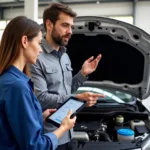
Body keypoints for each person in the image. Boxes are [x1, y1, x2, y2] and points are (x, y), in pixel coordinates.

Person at [29, 3, 103, 150]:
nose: (70, 31)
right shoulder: (36, 57)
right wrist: (76, 99)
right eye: (64, 25)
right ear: (49, 24)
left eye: (71, 27)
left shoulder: (65, 56)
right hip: (50, 136)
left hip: (69, 132)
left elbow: (66, 89)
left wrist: (82, 74)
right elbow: (41, 98)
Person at [0, 16, 76, 150]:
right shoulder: (17, 86)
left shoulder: (8, 79)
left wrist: (39, 117)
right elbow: (35, 146)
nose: (41, 50)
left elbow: (11, 125)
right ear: (24, 41)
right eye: (39, 43)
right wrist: (63, 127)